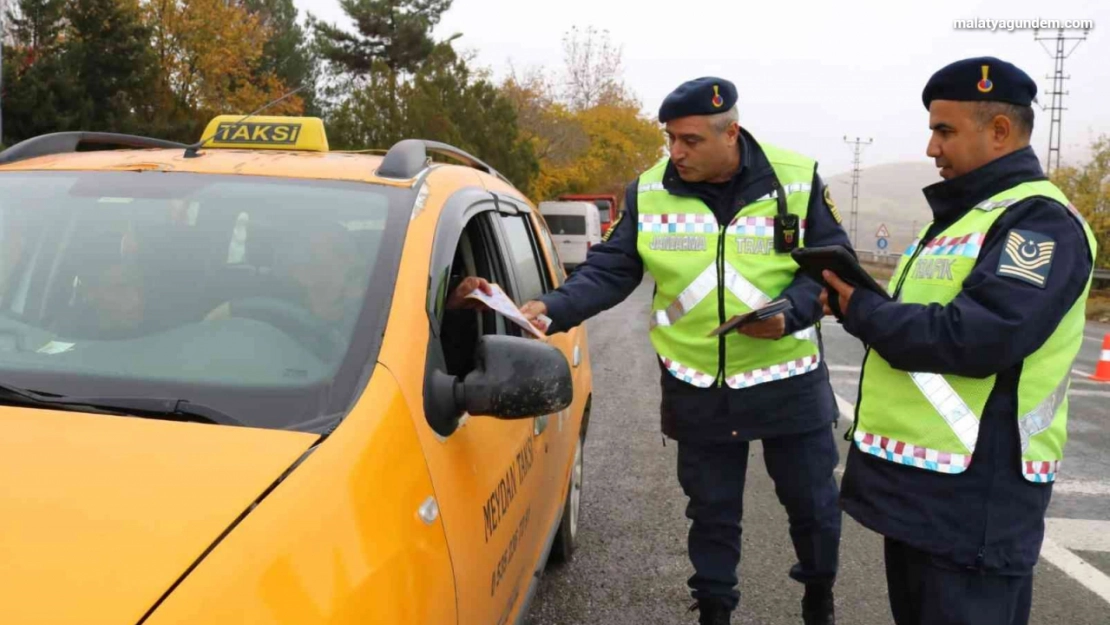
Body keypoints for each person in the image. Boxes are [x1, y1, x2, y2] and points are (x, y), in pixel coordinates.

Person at [518, 77, 850, 625]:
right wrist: (552, 309)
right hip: (698, 383)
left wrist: (790, 314)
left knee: (813, 508)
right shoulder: (648, 191)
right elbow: (611, 269)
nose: (676, 152)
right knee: (712, 514)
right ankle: (714, 611)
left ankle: (819, 595)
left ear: (731, 133)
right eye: (671, 138)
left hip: (787, 377)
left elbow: (831, 266)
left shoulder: (796, 178)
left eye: (691, 140)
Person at [821, 57, 1098, 625]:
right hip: (927, 494)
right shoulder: (954, 220)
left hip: (978, 500)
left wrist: (865, 310)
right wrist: (859, 306)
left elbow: (981, 337)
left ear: (999, 130)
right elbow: (926, 322)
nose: (931, 148)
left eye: (944, 130)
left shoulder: (1037, 223)